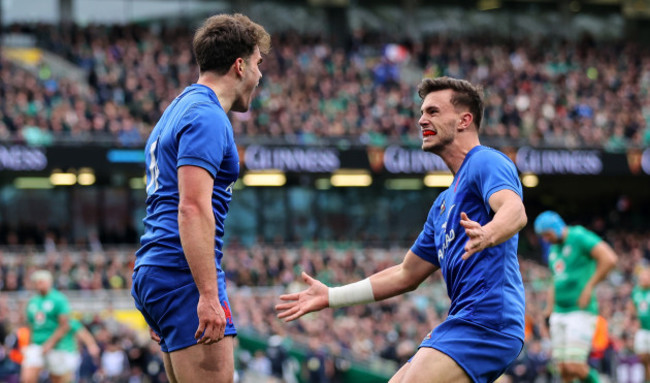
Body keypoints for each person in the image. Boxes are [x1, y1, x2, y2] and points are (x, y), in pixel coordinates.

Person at [277, 76, 528, 383]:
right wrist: (332, 296)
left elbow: (514, 210)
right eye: (422, 112)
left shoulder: (486, 161)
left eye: (433, 112)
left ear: (465, 120)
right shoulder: (442, 205)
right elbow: (405, 275)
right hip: (464, 321)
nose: (422, 120)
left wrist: (489, 233)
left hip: (488, 321)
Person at [130, 13, 270, 383]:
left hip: (160, 270)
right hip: (182, 273)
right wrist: (208, 295)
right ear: (239, 66)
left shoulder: (176, 109)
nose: (260, 75)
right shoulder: (207, 116)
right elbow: (191, 208)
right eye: (258, 64)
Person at [534, 211, 618, 383]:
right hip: (559, 312)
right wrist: (548, 308)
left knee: (574, 366)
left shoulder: (578, 236)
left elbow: (609, 258)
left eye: (547, 234)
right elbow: (554, 280)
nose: (546, 239)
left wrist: (589, 286)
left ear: (555, 228)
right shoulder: (553, 249)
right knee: (563, 368)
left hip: (580, 311)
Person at [21, 270, 73, 383]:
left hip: (56, 346)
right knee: (27, 378)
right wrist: (29, 344)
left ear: (49, 282)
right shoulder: (32, 301)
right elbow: (31, 326)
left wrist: (50, 343)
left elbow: (65, 325)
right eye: (36, 282)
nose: (38, 284)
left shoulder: (59, 299)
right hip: (37, 345)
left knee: (58, 379)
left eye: (41, 281)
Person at [630, 267, 650, 380]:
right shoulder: (636, 291)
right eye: (641, 276)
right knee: (642, 358)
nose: (643, 278)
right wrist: (632, 322)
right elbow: (632, 307)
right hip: (642, 329)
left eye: (646, 276)